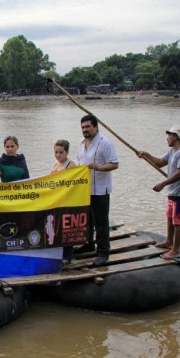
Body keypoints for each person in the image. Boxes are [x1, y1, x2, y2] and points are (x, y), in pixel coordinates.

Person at [137, 125, 180, 260]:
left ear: (175, 137)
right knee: (170, 218)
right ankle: (169, 242)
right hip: (173, 191)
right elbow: (160, 162)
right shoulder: (173, 151)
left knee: (178, 222)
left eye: (169, 135)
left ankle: (175, 249)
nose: (167, 137)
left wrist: (162, 184)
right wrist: (146, 155)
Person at [75, 114, 119, 267]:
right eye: (83, 127)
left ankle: (103, 252)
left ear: (95, 126)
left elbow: (114, 164)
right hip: (85, 189)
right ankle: (89, 243)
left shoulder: (104, 143)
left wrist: (99, 167)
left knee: (101, 222)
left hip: (100, 189)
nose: (85, 130)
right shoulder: (81, 143)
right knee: (87, 220)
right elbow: (79, 163)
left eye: (88, 127)